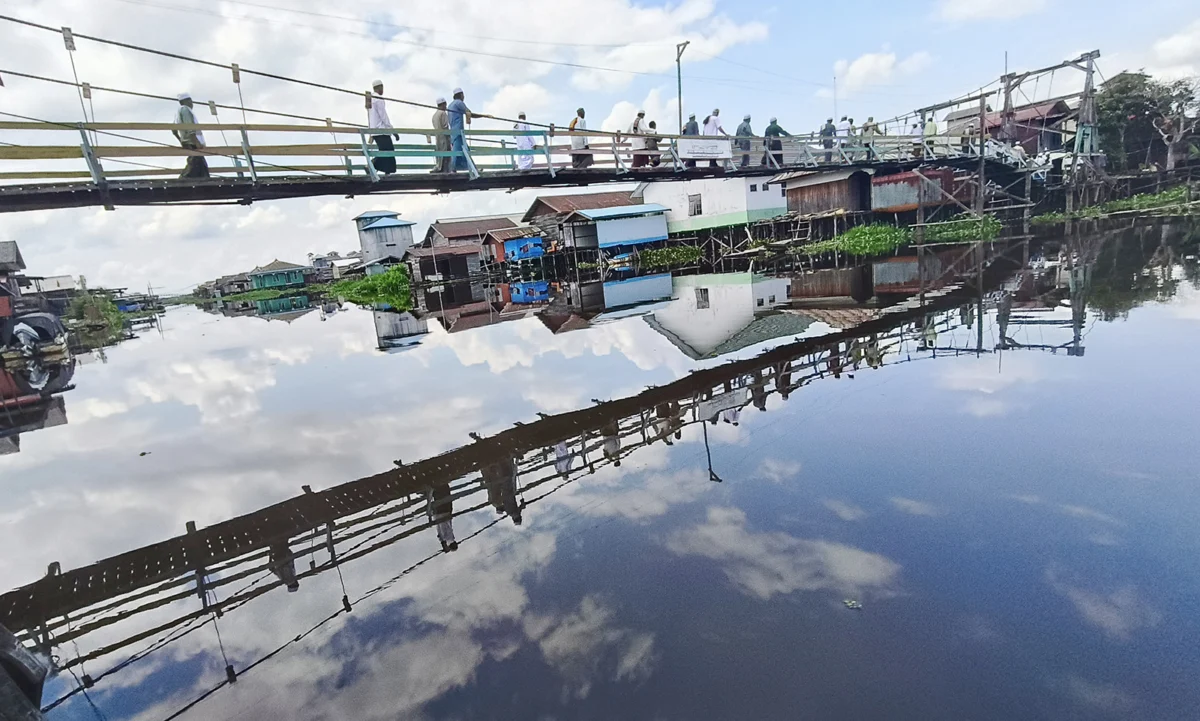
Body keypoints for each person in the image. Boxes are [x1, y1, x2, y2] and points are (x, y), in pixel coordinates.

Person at [173, 93, 209, 179]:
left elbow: (173, 130)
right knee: (197, 165)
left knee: (198, 165)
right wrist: (196, 142)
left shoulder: (177, 113)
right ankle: (183, 179)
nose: (192, 103)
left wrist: (181, 140)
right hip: (193, 142)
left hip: (187, 142)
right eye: (190, 101)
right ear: (186, 101)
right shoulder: (186, 110)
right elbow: (190, 128)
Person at [367, 80, 398, 175]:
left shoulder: (370, 99)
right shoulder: (378, 99)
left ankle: (385, 170)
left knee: (384, 151)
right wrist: (392, 130)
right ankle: (371, 165)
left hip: (374, 130)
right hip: (381, 130)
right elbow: (383, 116)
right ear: (380, 87)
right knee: (388, 151)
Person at [447, 88, 472, 172]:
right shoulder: (459, 103)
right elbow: (468, 112)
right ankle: (452, 169)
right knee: (456, 151)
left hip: (453, 131)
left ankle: (472, 168)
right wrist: (484, 116)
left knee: (465, 150)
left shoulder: (450, 105)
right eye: (463, 95)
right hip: (458, 131)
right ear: (461, 95)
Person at [427, 97, 450, 173]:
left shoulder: (434, 115)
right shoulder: (443, 113)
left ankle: (439, 167)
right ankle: (445, 170)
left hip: (437, 137)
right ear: (443, 104)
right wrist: (449, 137)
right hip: (444, 137)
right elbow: (445, 126)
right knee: (446, 153)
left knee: (439, 153)